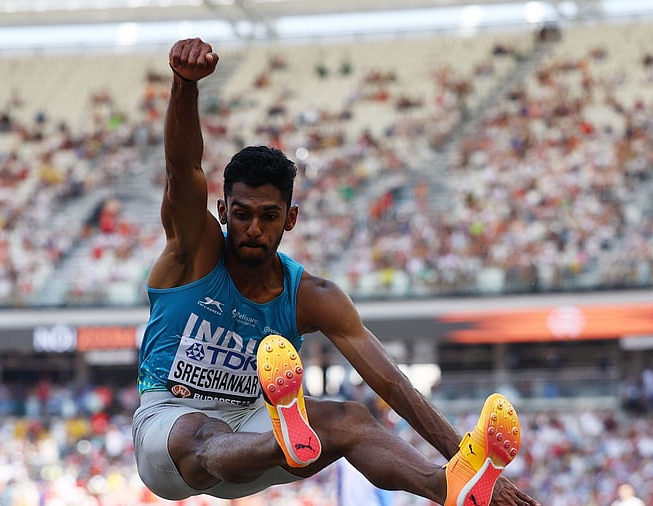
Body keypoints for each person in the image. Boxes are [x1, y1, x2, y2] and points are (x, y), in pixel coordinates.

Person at [132, 37, 539, 506]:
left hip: (253, 433)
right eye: (241, 214)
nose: (253, 229)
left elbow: (392, 384)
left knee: (350, 419)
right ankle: (282, 437)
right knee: (203, 434)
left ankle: (449, 488)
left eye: (268, 216)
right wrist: (185, 85)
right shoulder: (193, 251)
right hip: (170, 433)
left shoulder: (311, 295)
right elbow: (181, 170)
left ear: (290, 218)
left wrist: (459, 456)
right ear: (223, 210)